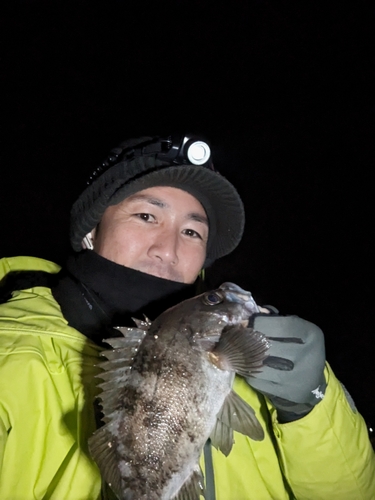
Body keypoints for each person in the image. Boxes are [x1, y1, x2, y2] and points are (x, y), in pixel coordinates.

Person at [0, 134, 374, 500]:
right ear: (90, 233)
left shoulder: (260, 368)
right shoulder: (9, 352)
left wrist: (310, 404)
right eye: (146, 215)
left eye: (192, 231)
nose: (168, 249)